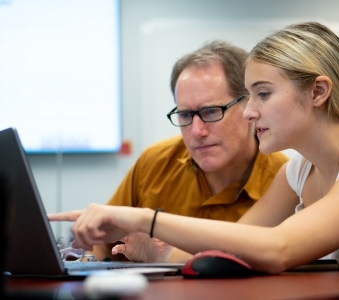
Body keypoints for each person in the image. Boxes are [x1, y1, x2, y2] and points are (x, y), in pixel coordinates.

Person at [49, 21, 339, 273]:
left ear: (318, 92)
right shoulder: (299, 169)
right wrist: (157, 251)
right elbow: (232, 251)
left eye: (263, 94)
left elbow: (278, 249)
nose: (249, 112)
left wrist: (144, 219)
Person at [89, 40, 288, 261]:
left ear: (248, 106)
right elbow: (100, 246)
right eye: (184, 115)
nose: (197, 131)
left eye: (211, 112)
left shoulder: (284, 179)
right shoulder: (154, 162)